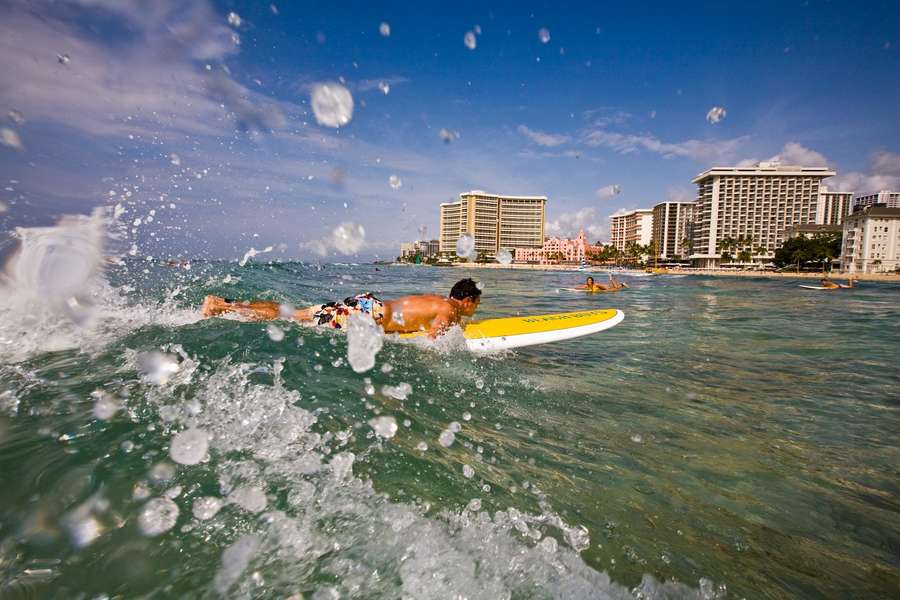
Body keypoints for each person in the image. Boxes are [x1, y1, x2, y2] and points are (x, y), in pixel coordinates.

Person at [201, 278, 482, 338]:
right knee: (295, 318)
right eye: (477, 303)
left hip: (367, 304)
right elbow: (433, 340)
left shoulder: (436, 299)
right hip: (367, 316)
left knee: (297, 314)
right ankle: (224, 306)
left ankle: (225, 305)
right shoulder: (450, 311)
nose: (475, 309)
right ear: (467, 300)